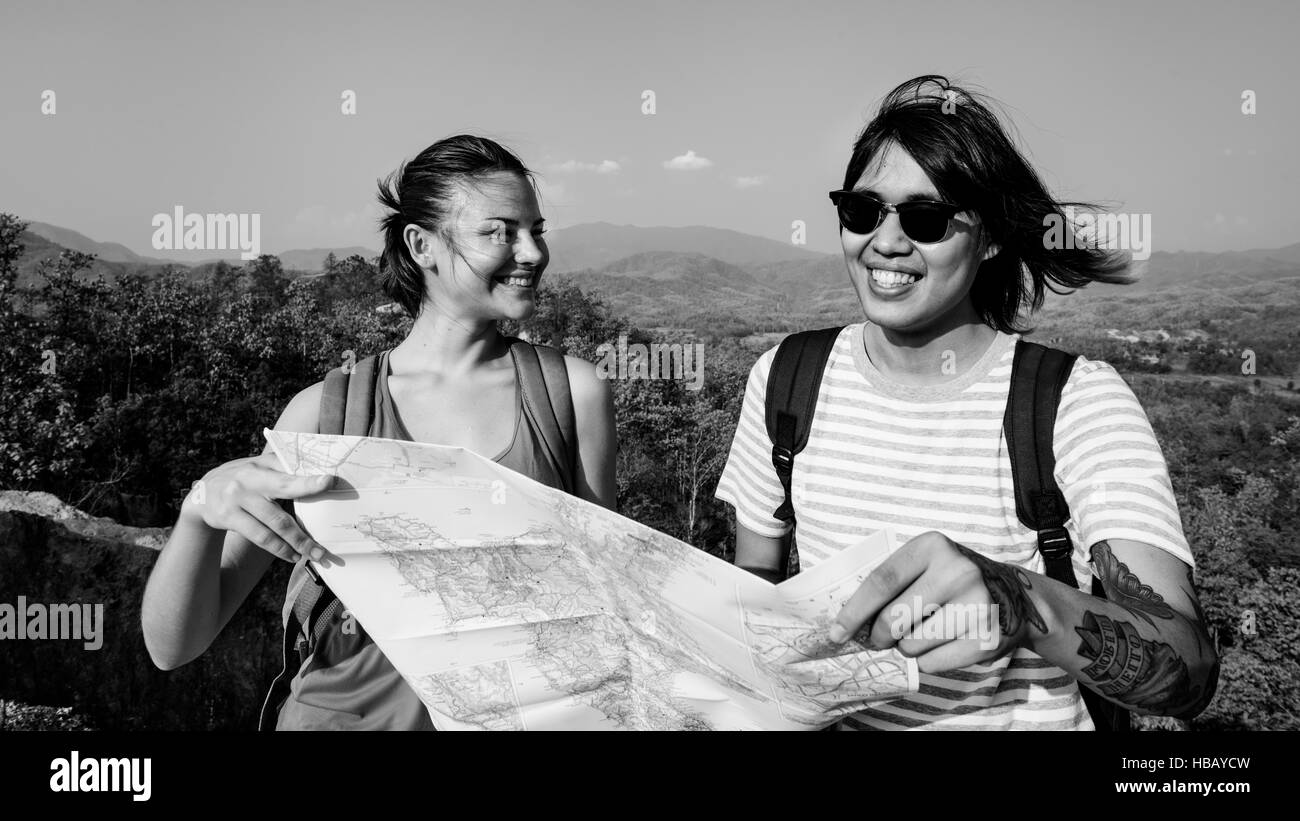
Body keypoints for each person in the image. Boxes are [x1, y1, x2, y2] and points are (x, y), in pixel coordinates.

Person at [714, 76, 1219, 730]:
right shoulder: (786, 378)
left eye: (926, 219)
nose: (886, 242)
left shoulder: (1073, 403)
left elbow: (1189, 668)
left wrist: (1016, 598)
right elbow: (753, 592)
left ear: (991, 239)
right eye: (863, 211)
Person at [142, 135, 617, 729]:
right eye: (499, 231)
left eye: (536, 229)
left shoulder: (570, 395)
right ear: (422, 246)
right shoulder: (325, 415)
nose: (532, 251)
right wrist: (199, 507)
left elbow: (605, 602)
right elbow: (174, 646)